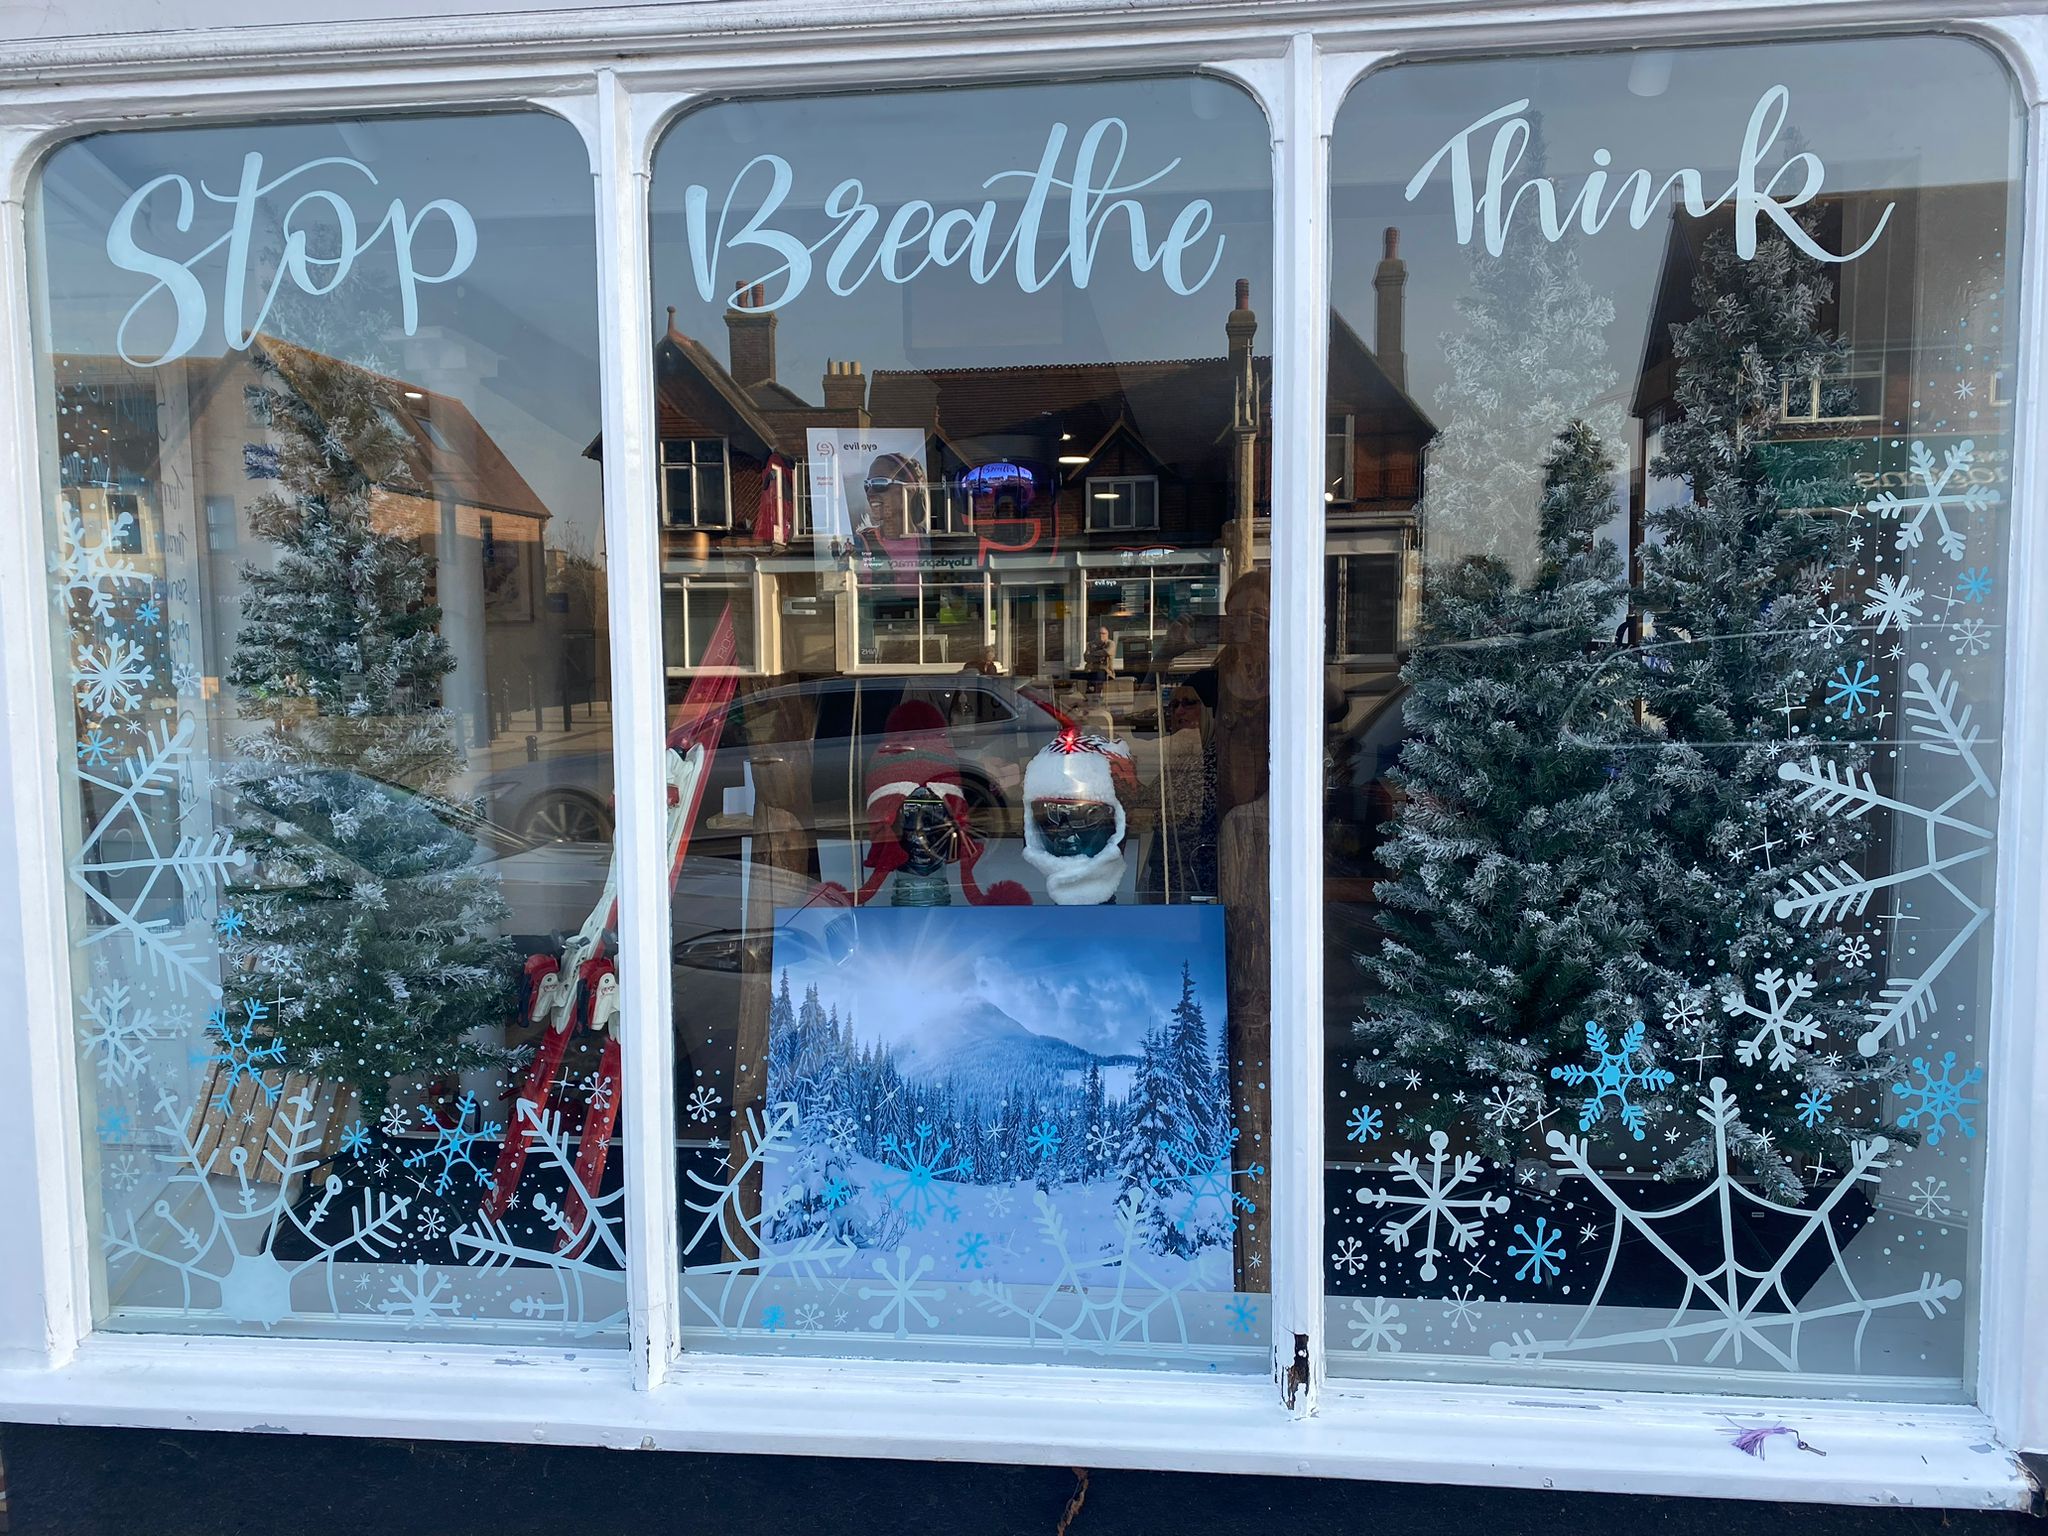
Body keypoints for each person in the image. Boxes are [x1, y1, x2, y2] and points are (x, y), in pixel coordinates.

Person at [1080, 624, 1117, 695]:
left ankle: (1098, 696)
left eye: (1103, 633)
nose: (1101, 635)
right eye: (1099, 633)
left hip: (1104, 671)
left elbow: (1107, 652)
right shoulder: (1090, 644)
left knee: (1099, 678)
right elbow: (1086, 657)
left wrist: (1093, 654)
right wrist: (1100, 656)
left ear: (1107, 634)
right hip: (1090, 670)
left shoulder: (1111, 643)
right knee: (1082, 683)